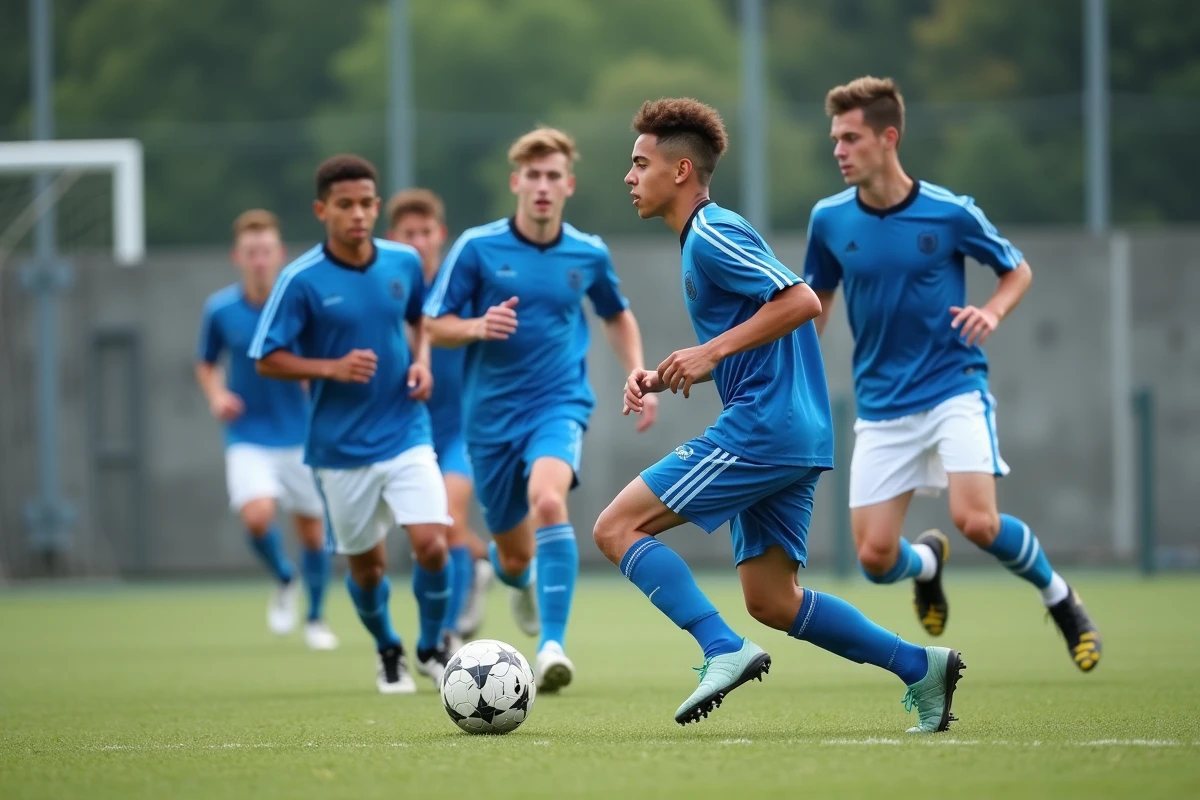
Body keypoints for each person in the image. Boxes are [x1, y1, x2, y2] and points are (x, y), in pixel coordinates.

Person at [593, 97, 964, 734]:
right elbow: (753, 327)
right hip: (793, 432)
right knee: (771, 599)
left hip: (763, 428)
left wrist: (709, 352)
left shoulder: (712, 232)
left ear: (681, 170)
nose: (629, 177)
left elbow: (801, 302)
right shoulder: (702, 241)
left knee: (616, 527)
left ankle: (719, 648)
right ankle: (920, 666)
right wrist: (661, 374)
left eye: (639, 163)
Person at [805, 76, 1101, 672]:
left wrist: (991, 311)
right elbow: (816, 306)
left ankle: (1061, 599)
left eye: (851, 137)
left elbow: (1016, 270)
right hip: (882, 404)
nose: (838, 149)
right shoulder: (829, 220)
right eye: (835, 138)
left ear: (889, 138)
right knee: (876, 559)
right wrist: (794, 374)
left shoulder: (950, 212)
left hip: (952, 387)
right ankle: (928, 567)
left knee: (977, 521)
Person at [424, 127, 657, 692]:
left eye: (554, 176)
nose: (544, 186)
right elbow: (434, 323)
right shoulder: (477, 249)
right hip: (489, 421)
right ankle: (519, 580)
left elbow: (615, 314)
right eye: (534, 176)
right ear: (516, 183)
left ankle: (552, 644)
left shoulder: (587, 252)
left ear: (569, 185)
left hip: (558, 403)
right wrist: (478, 325)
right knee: (510, 556)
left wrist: (638, 371)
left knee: (549, 499)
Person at [249, 155, 453, 693]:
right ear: (322, 210)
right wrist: (329, 368)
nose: (358, 214)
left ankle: (431, 646)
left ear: (376, 206)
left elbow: (420, 320)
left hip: (407, 429)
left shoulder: (403, 262)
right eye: (345, 205)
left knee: (433, 543)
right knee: (367, 570)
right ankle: (388, 648)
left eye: (366, 203)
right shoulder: (300, 280)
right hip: (340, 450)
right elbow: (266, 357)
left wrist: (422, 362)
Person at [195, 209, 337, 651]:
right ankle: (283, 575)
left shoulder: (299, 303)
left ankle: (315, 619)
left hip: (302, 433)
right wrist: (217, 395)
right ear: (238, 256)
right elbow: (206, 362)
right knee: (257, 516)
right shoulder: (220, 309)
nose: (260, 259)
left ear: (280, 254)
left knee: (313, 533)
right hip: (249, 434)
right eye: (251, 251)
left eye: (267, 251)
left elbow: (320, 356)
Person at [386, 188, 494, 648]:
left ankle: (446, 634)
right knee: (433, 533)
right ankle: (481, 560)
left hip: (461, 428)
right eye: (407, 233)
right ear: (392, 236)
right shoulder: (386, 286)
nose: (417, 241)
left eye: (425, 232)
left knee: (447, 515)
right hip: (407, 432)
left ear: (440, 234)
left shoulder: (458, 285)